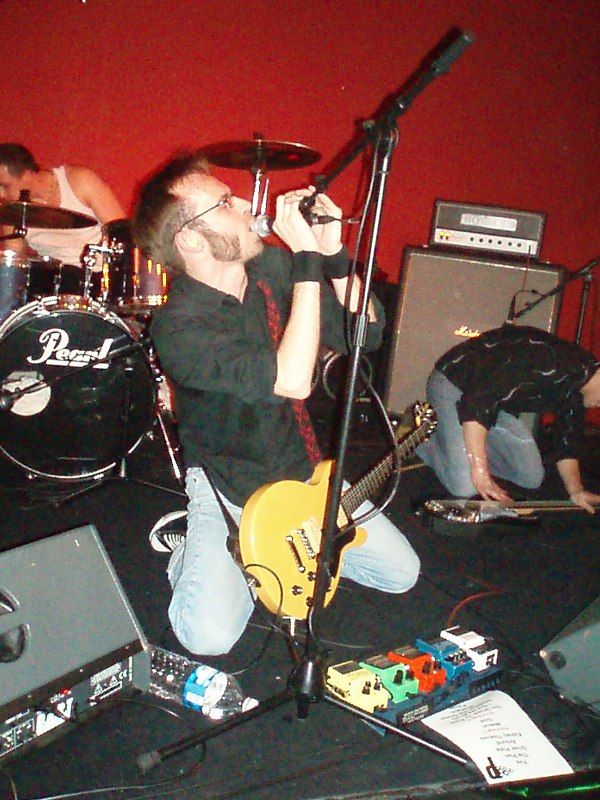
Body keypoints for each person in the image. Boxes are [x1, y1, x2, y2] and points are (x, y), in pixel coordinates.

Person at [132, 151, 421, 657]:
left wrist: (332, 256)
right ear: (191, 240)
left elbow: (366, 333)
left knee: (402, 574)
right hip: (230, 487)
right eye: (226, 202)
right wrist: (307, 262)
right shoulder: (179, 327)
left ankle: (258, 561)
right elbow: (291, 381)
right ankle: (190, 549)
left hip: (303, 473)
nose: (247, 204)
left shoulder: (271, 267)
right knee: (208, 637)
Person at [417, 324, 600, 513]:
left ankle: (460, 445)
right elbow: (477, 402)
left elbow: (567, 443)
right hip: (453, 384)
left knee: (531, 477)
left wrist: (576, 490)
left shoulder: (579, 388)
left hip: (491, 407)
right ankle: (422, 437)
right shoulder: (554, 363)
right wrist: (480, 471)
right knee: (466, 486)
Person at [0, 143, 125, 267]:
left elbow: (123, 234)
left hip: (100, 273)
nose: (1, 193)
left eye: (5, 186)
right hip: (53, 276)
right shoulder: (13, 210)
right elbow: (13, 259)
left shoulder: (79, 181)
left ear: (27, 174)